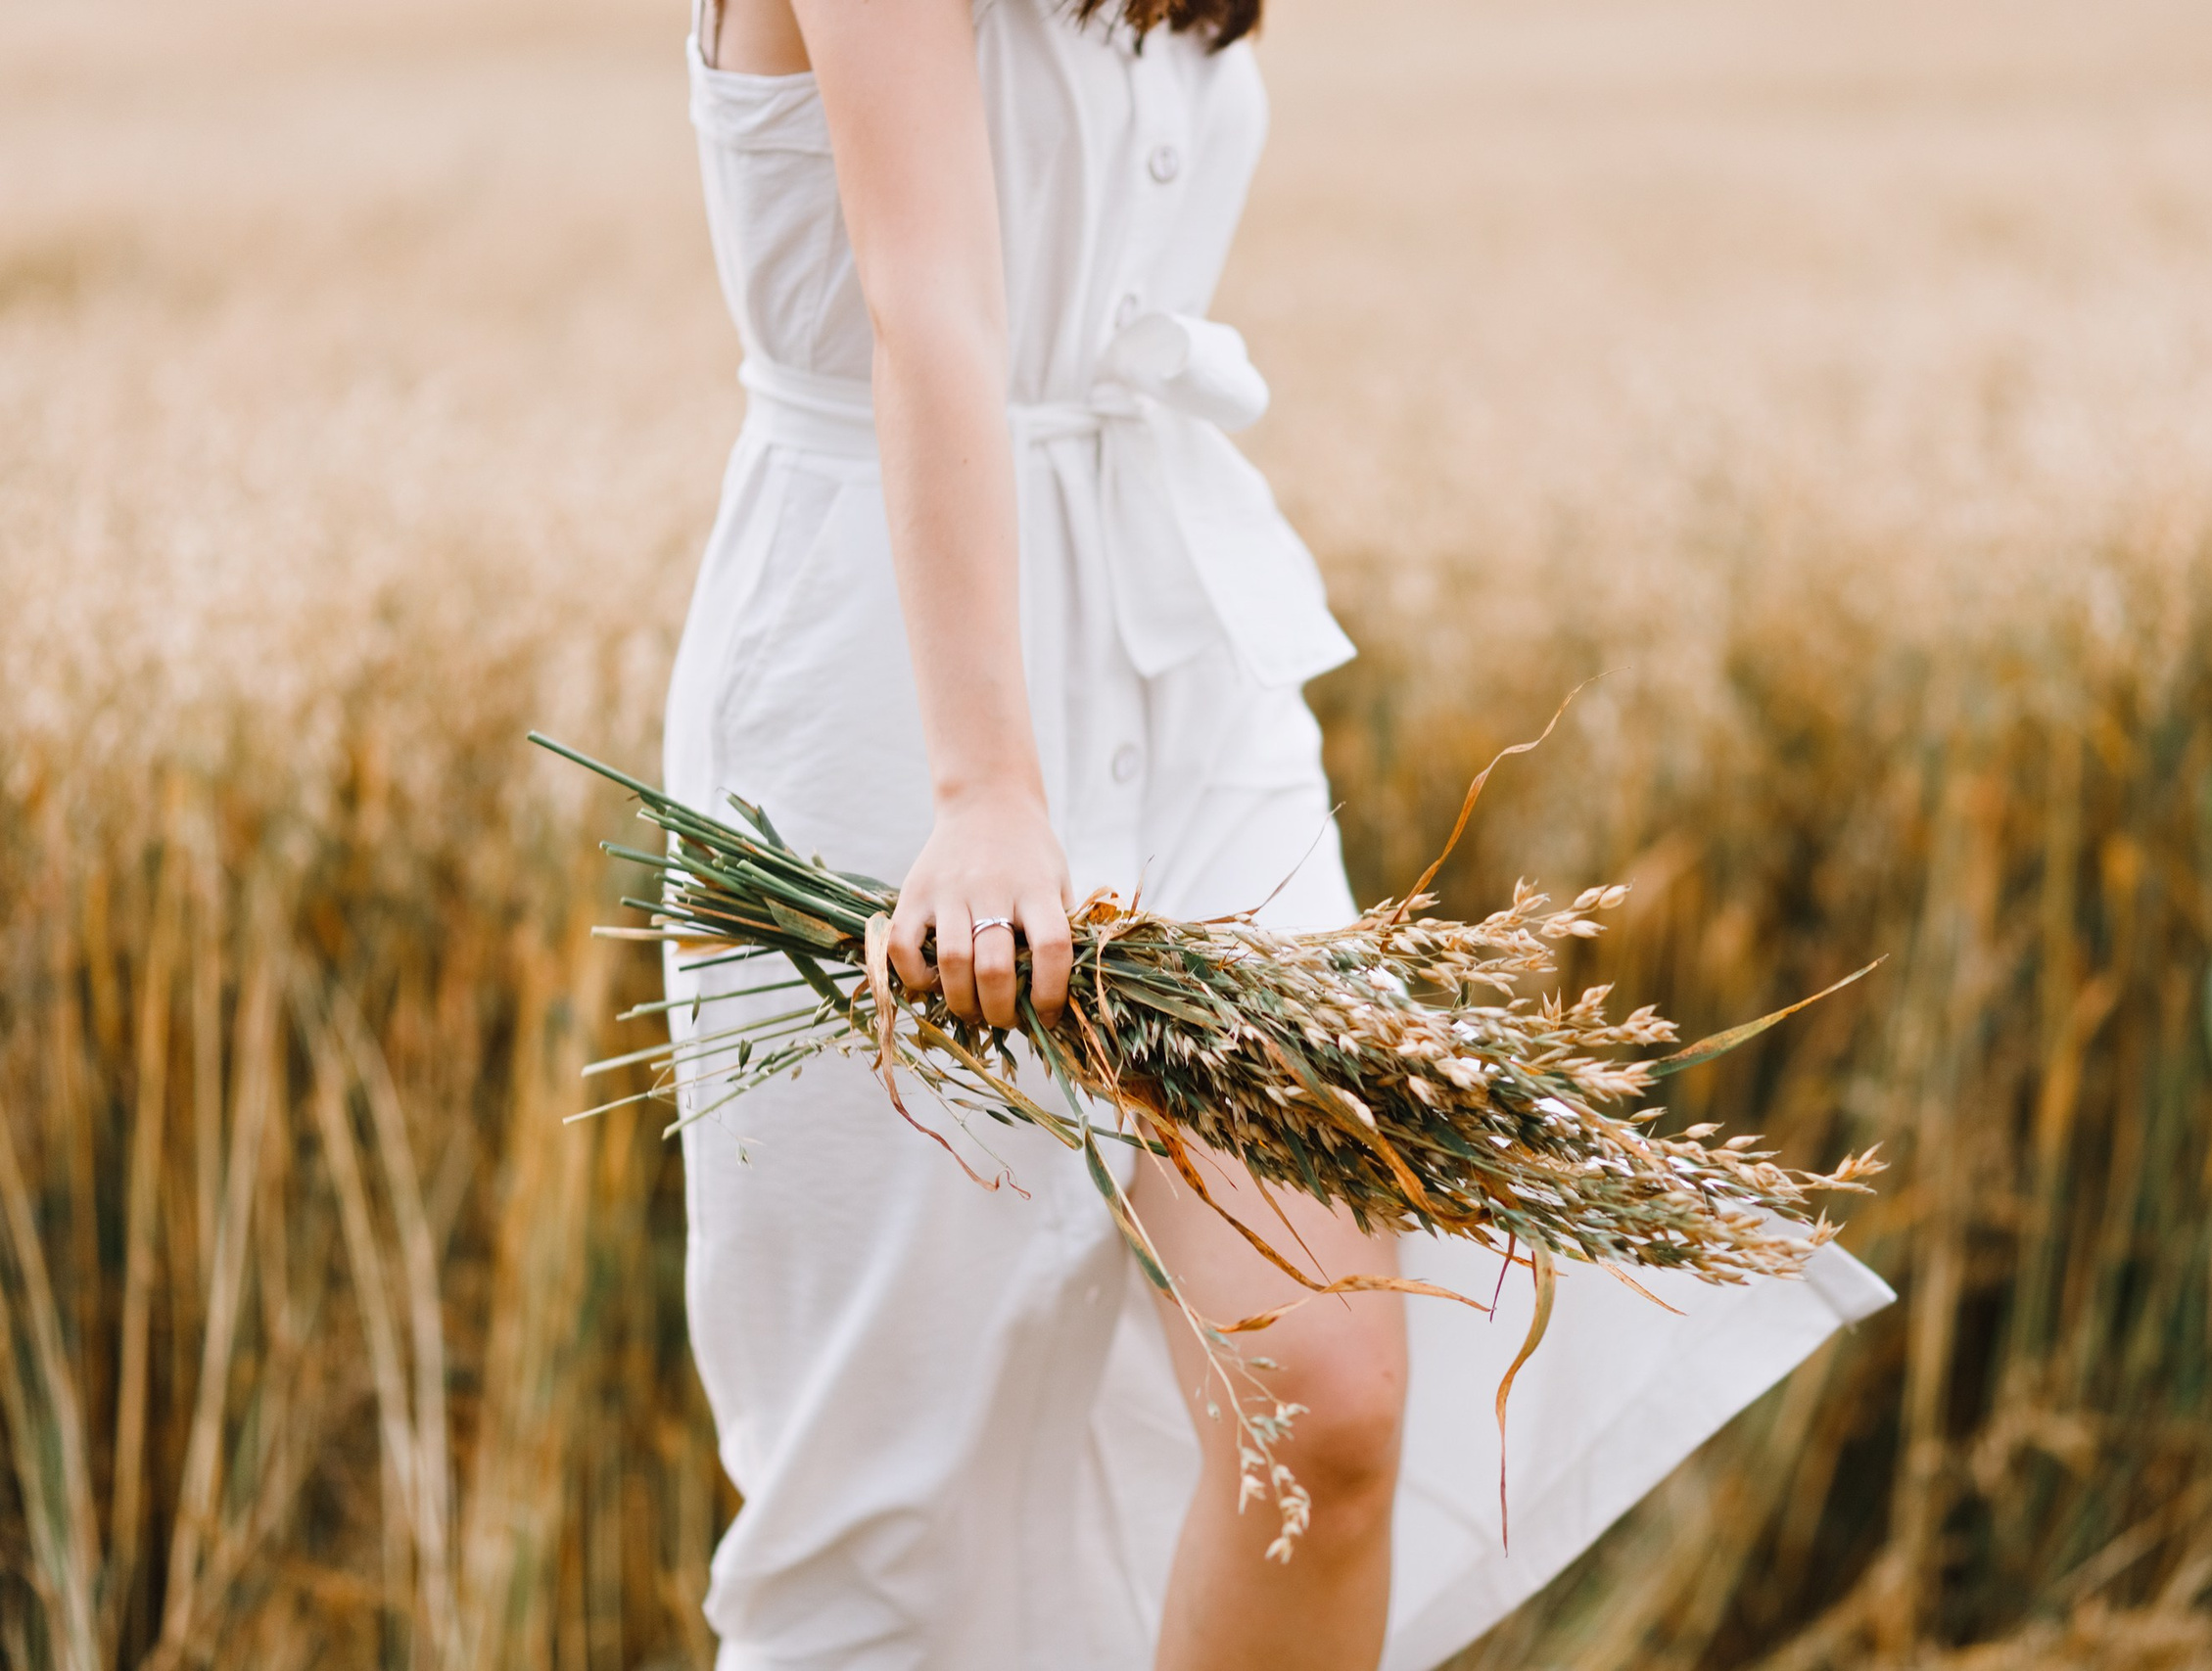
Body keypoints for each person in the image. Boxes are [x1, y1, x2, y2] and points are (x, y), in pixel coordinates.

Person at [659, 2, 1895, 1666]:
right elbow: (927, 304)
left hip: (1187, 668)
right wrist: (986, 789)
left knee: (1327, 1407)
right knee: (888, 1509)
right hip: (895, 694)